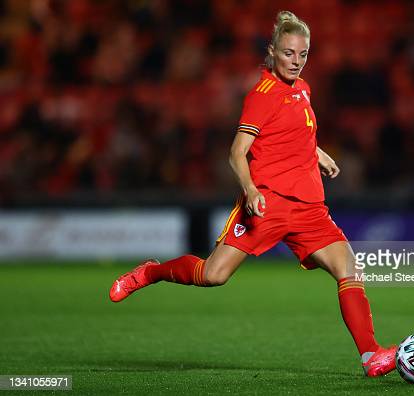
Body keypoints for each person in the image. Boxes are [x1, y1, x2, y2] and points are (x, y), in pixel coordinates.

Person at [109, 11, 396, 377]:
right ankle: (151, 272)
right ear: (273, 51)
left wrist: (318, 153)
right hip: (268, 204)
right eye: (289, 53)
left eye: (303, 54)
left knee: (348, 268)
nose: (296, 61)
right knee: (213, 275)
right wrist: (250, 190)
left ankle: (371, 355)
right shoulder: (261, 96)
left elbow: (295, 134)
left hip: (309, 208)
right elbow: (236, 152)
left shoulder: (303, 89)